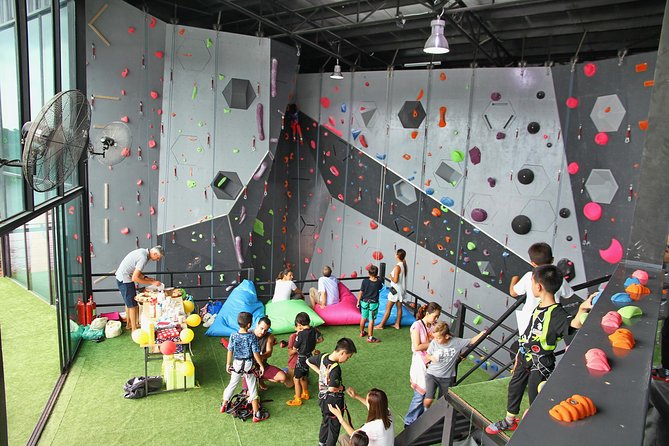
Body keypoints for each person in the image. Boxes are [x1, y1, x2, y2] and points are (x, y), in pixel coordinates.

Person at [485, 265, 593, 434]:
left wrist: (581, 309)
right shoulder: (540, 307)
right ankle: (509, 421)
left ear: (538, 287)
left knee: (536, 396)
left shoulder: (556, 313)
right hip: (524, 357)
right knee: (515, 387)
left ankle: (534, 429)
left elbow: (572, 325)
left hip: (541, 362)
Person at [510, 243, 574, 342]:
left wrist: (514, 279)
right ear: (552, 260)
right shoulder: (559, 277)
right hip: (549, 321)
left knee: (525, 343)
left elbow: (513, 293)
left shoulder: (529, 276)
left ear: (533, 263)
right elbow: (568, 295)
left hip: (528, 320)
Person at [423, 322, 486, 409]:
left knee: (442, 401)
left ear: (447, 336)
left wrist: (482, 334)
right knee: (428, 399)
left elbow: (471, 341)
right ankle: (425, 412)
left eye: (438, 338)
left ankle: (437, 418)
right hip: (432, 375)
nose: (436, 340)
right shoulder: (434, 343)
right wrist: (431, 357)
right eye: (435, 337)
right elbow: (427, 355)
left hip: (447, 378)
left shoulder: (456, 342)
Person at [307, 338, 357, 446]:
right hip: (334, 401)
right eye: (347, 357)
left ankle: (321, 443)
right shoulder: (335, 368)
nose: (346, 360)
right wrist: (342, 388)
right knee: (334, 426)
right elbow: (332, 388)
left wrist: (321, 373)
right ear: (342, 353)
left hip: (322, 399)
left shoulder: (323, 356)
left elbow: (308, 361)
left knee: (325, 421)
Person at [220, 311, 269, 423]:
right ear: (249, 325)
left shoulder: (233, 335)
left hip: (237, 363)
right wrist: (261, 365)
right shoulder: (251, 337)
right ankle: (256, 414)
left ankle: (224, 404)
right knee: (252, 388)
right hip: (248, 364)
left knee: (232, 384)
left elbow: (230, 350)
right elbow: (256, 352)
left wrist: (228, 363)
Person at [404, 301, 442, 427]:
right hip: (420, 364)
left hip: (430, 364)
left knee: (427, 394)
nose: (436, 319)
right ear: (427, 313)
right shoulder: (416, 326)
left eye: (437, 317)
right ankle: (409, 422)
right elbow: (417, 346)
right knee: (420, 395)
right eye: (434, 316)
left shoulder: (433, 325)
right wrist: (435, 343)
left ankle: (417, 420)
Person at [115, 246, 164, 331]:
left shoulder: (143, 252)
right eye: (158, 257)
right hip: (125, 279)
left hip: (123, 277)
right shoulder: (143, 257)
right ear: (155, 253)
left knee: (128, 302)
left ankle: (129, 325)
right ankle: (134, 329)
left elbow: (136, 270)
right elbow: (135, 278)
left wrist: (147, 278)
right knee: (132, 305)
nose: (158, 260)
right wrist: (152, 282)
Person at [330, 387, 394, 446]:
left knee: (343, 438)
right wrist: (356, 396)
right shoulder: (387, 412)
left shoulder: (372, 427)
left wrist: (340, 417)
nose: (366, 402)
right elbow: (371, 405)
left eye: (367, 400)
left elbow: (354, 435)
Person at [286, 312, 323, 406]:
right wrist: (312, 343)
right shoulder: (314, 330)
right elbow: (320, 339)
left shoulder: (301, 334)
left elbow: (295, 347)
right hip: (309, 357)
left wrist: (297, 347)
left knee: (296, 378)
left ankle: (297, 399)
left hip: (301, 358)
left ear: (299, 324)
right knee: (304, 376)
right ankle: (305, 393)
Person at [243, 317, 290, 391]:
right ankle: (252, 379)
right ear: (257, 325)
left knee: (283, 377)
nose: (262, 332)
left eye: (265, 330)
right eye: (261, 328)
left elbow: (269, 353)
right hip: (249, 369)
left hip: (263, 366)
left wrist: (259, 357)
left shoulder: (269, 336)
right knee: (247, 394)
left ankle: (260, 379)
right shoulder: (247, 335)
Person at [375, 249, 408, 330]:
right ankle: (397, 324)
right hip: (400, 290)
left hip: (395, 290)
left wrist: (391, 277)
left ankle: (381, 325)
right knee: (399, 308)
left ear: (397, 255)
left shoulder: (398, 266)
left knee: (388, 308)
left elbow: (396, 280)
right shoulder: (403, 265)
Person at [357, 265, 384, 343]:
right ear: (376, 273)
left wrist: (358, 301)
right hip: (373, 304)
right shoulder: (379, 282)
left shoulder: (365, 281)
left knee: (363, 317)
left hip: (364, 302)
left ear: (368, 273)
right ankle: (370, 337)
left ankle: (362, 332)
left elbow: (361, 292)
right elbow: (380, 288)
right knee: (371, 320)